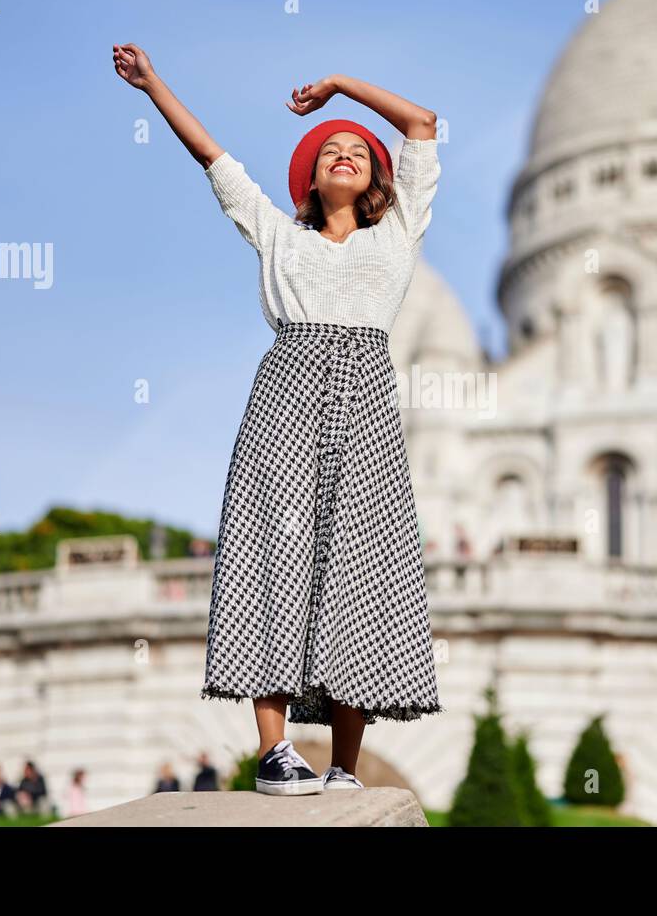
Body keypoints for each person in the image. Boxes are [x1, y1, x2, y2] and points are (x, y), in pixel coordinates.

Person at [112, 46, 442, 798]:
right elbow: (213, 157)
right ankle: (273, 752)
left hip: (367, 399)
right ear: (311, 179)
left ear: (379, 180)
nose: (346, 154)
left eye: (359, 150)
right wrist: (155, 83)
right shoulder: (278, 235)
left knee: (359, 570)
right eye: (332, 150)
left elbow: (421, 122)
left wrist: (341, 89)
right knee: (273, 560)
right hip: (288, 393)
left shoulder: (397, 236)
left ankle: (344, 767)